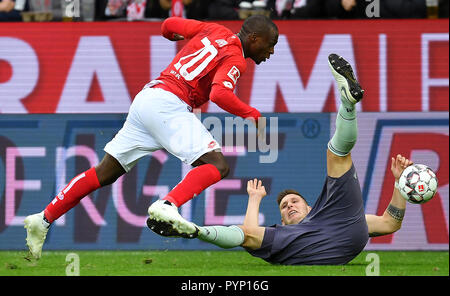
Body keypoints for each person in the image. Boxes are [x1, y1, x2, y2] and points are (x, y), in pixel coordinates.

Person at [24, 15, 279, 259]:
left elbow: (168, 25)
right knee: (217, 165)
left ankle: (43, 218)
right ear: (254, 38)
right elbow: (219, 94)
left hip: (148, 97)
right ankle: (167, 205)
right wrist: (253, 114)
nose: (271, 52)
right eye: (270, 45)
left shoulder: (212, 29)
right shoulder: (236, 58)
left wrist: (172, 36)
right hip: (169, 104)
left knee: (105, 172)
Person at [150, 54, 412, 265]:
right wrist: (254, 200)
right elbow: (249, 234)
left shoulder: (334, 215)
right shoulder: (283, 233)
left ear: (310, 208)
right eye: (285, 207)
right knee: (249, 235)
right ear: (282, 220)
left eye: (294, 202)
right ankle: (195, 230)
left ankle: (347, 103)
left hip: (339, 224)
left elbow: (390, 223)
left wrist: (399, 184)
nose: (289, 206)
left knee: (337, 154)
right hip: (305, 244)